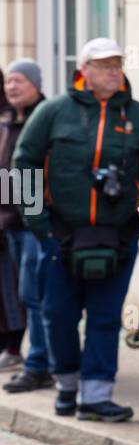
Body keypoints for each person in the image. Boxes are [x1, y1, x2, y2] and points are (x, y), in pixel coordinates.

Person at [12, 38, 139, 421]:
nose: (114, 71)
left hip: (118, 238)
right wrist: (37, 223)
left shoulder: (138, 118)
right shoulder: (53, 112)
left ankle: (96, 396)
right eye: (104, 65)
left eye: (117, 64)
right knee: (58, 314)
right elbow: (22, 164)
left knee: (105, 317)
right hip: (60, 236)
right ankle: (67, 386)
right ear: (84, 71)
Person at [0, 60, 51, 392]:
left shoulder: (44, 118)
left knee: (36, 295)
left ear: (35, 84)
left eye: (19, 81)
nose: (12, 87)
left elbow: (34, 171)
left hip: (34, 224)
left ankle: (40, 363)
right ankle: (39, 359)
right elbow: (8, 172)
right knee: (24, 294)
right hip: (13, 222)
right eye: (9, 82)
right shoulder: (10, 122)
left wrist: (31, 215)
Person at [0, 67, 25, 372]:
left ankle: (15, 347)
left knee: (17, 292)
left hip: (14, 221)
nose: (13, 87)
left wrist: (12, 217)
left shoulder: (13, 124)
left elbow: (15, 172)